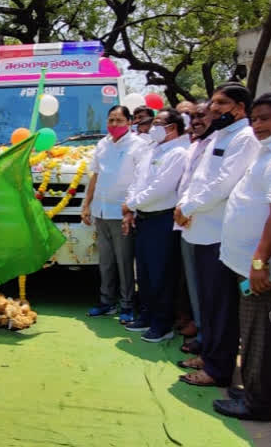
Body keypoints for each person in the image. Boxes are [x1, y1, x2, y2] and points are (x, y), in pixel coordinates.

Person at [213, 92, 271, 421]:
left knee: (257, 337)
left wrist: (259, 262)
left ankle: (257, 404)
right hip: (249, 263)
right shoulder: (270, 150)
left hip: (259, 268)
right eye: (254, 119)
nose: (258, 125)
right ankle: (270, 395)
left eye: (265, 118)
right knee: (259, 336)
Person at [176, 82, 260, 388]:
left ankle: (218, 369)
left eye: (220, 104)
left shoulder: (245, 138)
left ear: (239, 108)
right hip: (200, 229)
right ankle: (208, 354)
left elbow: (225, 183)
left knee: (220, 305)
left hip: (218, 233)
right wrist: (186, 205)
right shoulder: (218, 135)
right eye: (212, 103)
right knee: (208, 303)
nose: (213, 109)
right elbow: (200, 178)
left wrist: (190, 206)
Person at [123, 108, 189, 341]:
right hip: (144, 218)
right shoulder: (151, 150)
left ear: (172, 128)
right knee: (145, 272)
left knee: (162, 274)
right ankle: (146, 315)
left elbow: (161, 187)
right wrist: (131, 205)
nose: (152, 128)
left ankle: (162, 324)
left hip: (163, 218)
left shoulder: (178, 153)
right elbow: (137, 180)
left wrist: (132, 203)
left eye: (158, 123)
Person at [81, 105, 143, 323]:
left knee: (125, 261)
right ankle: (106, 302)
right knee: (106, 261)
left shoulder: (138, 145)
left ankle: (127, 305)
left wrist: (131, 209)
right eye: (111, 120)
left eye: (119, 120)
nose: (114, 125)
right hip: (101, 210)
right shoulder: (102, 144)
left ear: (129, 122)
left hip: (122, 212)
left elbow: (140, 179)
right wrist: (86, 205)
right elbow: (95, 176)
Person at [176, 101, 214, 356]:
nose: (196, 120)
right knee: (194, 284)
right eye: (193, 117)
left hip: (207, 226)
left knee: (209, 290)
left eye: (202, 115)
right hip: (187, 223)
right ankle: (201, 331)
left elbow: (216, 184)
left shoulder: (218, 143)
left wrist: (187, 208)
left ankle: (208, 339)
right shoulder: (195, 145)